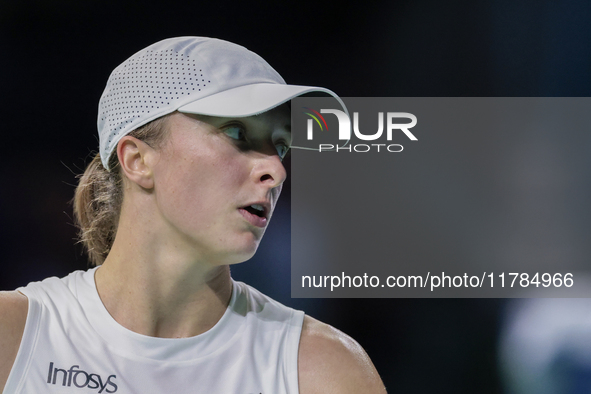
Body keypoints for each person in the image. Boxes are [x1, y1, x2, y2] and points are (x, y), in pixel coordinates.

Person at [0, 37, 386, 393]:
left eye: (281, 146)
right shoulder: (11, 337)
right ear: (137, 160)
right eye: (237, 133)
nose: (277, 171)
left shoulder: (324, 371)